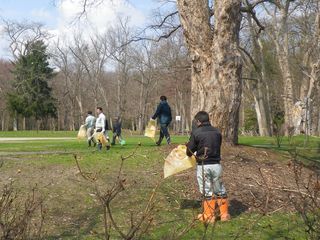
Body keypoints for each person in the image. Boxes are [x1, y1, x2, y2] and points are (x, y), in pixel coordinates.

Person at [186, 111, 230, 223]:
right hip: (216, 164)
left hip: (203, 165)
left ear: (198, 121)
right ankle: (224, 215)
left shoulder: (196, 132)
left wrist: (188, 148)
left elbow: (189, 151)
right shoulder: (217, 132)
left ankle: (209, 216)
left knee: (207, 191)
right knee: (220, 189)